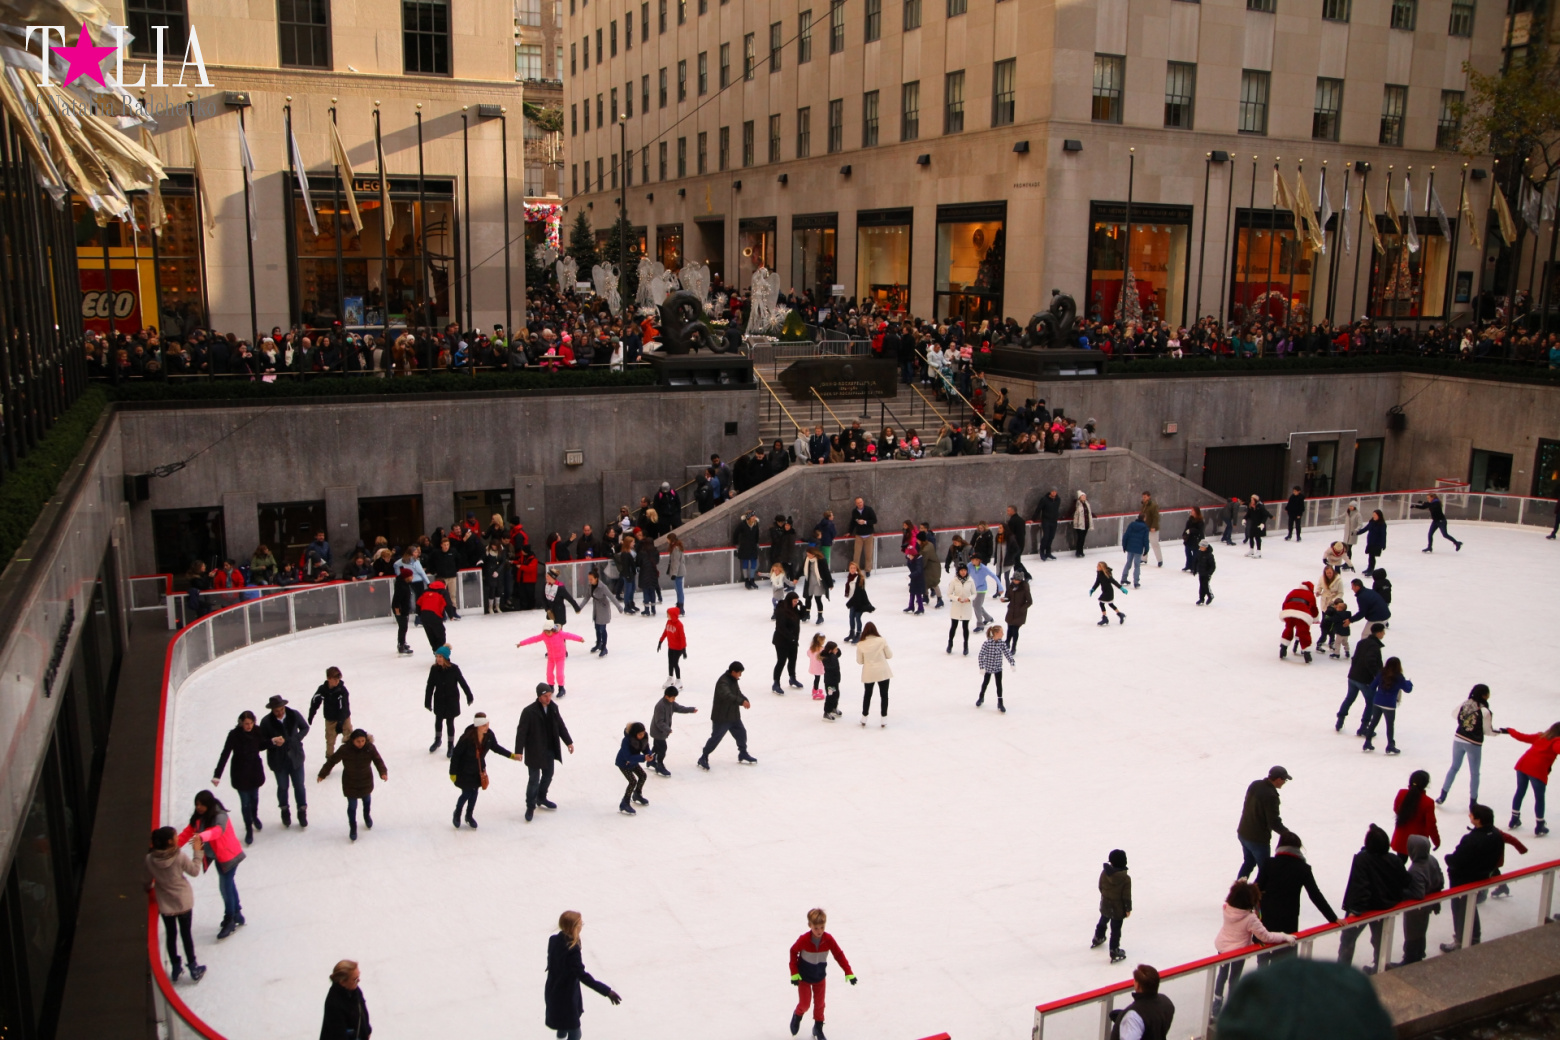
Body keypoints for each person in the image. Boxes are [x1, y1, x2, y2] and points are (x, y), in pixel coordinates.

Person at [1212, 880, 1294, 1015]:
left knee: (1222, 975)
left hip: (1222, 947)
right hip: (1238, 952)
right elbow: (1266, 937)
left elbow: (1237, 894)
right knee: (1234, 978)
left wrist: (1240, 886)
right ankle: (1232, 1008)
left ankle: (1216, 1007)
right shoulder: (1251, 918)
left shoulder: (1227, 908)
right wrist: (1284, 936)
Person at [1336, 823, 1409, 971]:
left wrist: (1355, 911)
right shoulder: (1394, 860)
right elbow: (1405, 881)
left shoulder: (1362, 860)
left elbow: (1360, 886)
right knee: (1379, 939)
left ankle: (1342, 971)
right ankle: (1379, 967)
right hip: (1384, 906)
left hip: (1365, 910)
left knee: (1348, 938)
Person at [1253, 831, 1337, 958]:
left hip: (1265, 919)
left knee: (1263, 958)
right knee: (1285, 959)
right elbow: (1315, 895)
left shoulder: (1269, 863)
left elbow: (1256, 889)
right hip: (1288, 922)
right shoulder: (1303, 868)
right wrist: (1333, 918)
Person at [175, 790, 245, 939]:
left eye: (201, 804)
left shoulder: (220, 816)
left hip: (229, 855)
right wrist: (172, 848)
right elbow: (187, 833)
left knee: (225, 887)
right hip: (219, 856)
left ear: (209, 804)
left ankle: (230, 918)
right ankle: (236, 913)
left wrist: (201, 836)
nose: (198, 807)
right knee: (228, 884)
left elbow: (217, 831)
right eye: (197, 804)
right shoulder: (198, 818)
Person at [546, 911, 621, 1040]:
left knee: (562, 1024)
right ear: (573, 927)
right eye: (580, 924)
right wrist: (607, 991)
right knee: (575, 1033)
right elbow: (583, 976)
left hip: (553, 990)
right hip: (566, 996)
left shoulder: (553, 940)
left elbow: (552, 961)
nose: (581, 926)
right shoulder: (572, 950)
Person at [145, 826, 205, 983]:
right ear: (170, 841)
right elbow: (194, 871)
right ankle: (193, 966)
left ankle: (175, 966)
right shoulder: (179, 857)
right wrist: (198, 851)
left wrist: (149, 887)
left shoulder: (149, 859)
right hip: (183, 901)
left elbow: (148, 880)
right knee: (186, 934)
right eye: (175, 836)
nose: (178, 837)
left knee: (171, 935)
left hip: (165, 903)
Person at [1440, 804, 1504, 950]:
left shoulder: (1472, 840)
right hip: (1482, 876)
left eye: (1472, 814)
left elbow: (1457, 860)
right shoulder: (1495, 834)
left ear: (1478, 820)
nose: (1469, 815)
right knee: (1470, 907)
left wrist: (1448, 858)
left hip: (1464, 881)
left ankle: (1461, 940)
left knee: (1461, 909)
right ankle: (1474, 936)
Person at [788, 908, 857, 1040]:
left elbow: (838, 954)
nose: (819, 931)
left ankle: (818, 1028)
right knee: (805, 1004)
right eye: (816, 928)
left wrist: (848, 971)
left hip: (819, 978)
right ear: (810, 925)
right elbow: (793, 951)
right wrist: (794, 973)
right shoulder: (804, 940)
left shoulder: (828, 939)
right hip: (804, 978)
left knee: (820, 1005)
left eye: (822, 927)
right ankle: (798, 1015)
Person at [515, 683, 576, 822]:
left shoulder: (553, 708)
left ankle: (541, 797)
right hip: (534, 750)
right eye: (545, 696)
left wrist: (568, 742)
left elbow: (560, 726)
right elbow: (521, 733)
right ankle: (530, 806)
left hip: (549, 749)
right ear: (539, 696)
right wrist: (518, 751)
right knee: (534, 780)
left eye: (549, 695)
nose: (548, 699)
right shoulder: (529, 712)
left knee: (548, 775)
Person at [316, 729, 388, 842]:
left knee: (367, 801)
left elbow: (378, 760)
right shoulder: (345, 749)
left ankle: (366, 816)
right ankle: (353, 827)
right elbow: (332, 761)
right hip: (350, 782)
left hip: (365, 781)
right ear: (352, 740)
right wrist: (322, 774)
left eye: (363, 741)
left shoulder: (370, 748)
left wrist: (383, 772)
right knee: (352, 806)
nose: (361, 743)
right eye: (358, 741)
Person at [449, 712, 518, 829]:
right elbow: (456, 755)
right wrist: (453, 772)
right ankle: (457, 813)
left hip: (478, 770)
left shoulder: (489, 736)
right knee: (467, 793)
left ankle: (469, 816)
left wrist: (511, 755)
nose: (487, 727)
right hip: (464, 770)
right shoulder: (467, 738)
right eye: (484, 725)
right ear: (477, 726)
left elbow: (496, 747)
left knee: (474, 793)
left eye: (487, 724)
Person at [1439, 684, 1504, 806]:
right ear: (1484, 695)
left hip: (1458, 739)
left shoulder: (1466, 703)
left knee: (1454, 767)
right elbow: (1488, 731)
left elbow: (1454, 714)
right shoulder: (1485, 711)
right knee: (1474, 773)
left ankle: (1443, 795)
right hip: (1474, 743)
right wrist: (1501, 731)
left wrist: (1466, 722)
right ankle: (1473, 802)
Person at [212, 710, 266, 845]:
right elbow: (225, 754)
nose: (249, 726)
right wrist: (217, 774)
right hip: (240, 772)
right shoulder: (234, 735)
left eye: (251, 723)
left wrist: (272, 742)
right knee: (245, 802)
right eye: (246, 723)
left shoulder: (257, 731)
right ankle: (248, 828)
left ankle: (254, 816)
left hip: (254, 771)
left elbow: (261, 746)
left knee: (254, 798)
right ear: (241, 723)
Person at [257, 694, 309, 828]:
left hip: (295, 758)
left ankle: (302, 811)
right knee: (283, 787)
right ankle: (284, 810)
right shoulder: (266, 722)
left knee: (299, 785)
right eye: (276, 711)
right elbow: (261, 743)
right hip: (278, 761)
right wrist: (273, 742)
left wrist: (296, 739)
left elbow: (305, 727)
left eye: (281, 709)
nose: (280, 713)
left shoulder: (293, 714)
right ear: (272, 710)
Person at [699, 661, 758, 768]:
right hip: (722, 717)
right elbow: (727, 696)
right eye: (739, 673)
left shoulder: (733, 680)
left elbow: (737, 693)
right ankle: (704, 756)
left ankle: (743, 753)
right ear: (733, 672)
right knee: (716, 738)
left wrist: (744, 699)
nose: (740, 675)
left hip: (733, 716)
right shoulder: (723, 682)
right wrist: (741, 701)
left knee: (741, 733)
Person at [1505, 720, 1560, 834]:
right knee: (1539, 798)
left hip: (1523, 765)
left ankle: (1514, 819)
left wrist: (1510, 730)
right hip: (1537, 770)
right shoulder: (1557, 741)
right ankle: (1540, 825)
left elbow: (1522, 737)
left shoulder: (1540, 736)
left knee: (1520, 791)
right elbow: (1557, 749)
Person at [1398, 834, 1445, 965]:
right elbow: (1440, 878)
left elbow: (1418, 894)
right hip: (1428, 904)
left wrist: (1401, 892)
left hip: (1416, 909)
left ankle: (1410, 958)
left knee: (1412, 932)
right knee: (1421, 929)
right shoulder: (1432, 860)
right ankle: (1419, 952)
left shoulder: (1416, 869)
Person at [1237, 766, 1290, 879]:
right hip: (1257, 839)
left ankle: (1238, 887)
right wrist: (1287, 834)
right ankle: (1260, 889)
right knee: (1266, 870)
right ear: (1278, 779)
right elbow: (1274, 822)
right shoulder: (1271, 796)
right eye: (1284, 779)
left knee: (1249, 862)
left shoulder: (1255, 785)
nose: (1284, 782)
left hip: (1243, 832)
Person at [1337, 622, 1386, 733]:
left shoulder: (1362, 642)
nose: (1384, 634)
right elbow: (1370, 661)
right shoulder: (1374, 646)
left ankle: (1340, 719)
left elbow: (1355, 658)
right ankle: (1364, 727)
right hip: (1365, 680)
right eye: (1383, 632)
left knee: (1349, 699)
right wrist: (1377, 676)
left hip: (1353, 676)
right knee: (1371, 702)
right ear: (1378, 633)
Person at [425, 645, 474, 756]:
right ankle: (437, 740)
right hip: (439, 700)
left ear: (446, 658)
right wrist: (427, 701)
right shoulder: (434, 669)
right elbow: (430, 686)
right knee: (438, 721)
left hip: (451, 700)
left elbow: (462, 682)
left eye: (440, 657)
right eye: (437, 656)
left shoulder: (454, 669)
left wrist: (469, 695)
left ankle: (450, 745)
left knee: (450, 723)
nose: (438, 659)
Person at [1107, 964, 1174, 1040]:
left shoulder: (1133, 1017)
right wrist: (1122, 1018)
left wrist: (1129, 1019)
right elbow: (1153, 1022)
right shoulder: (1166, 1003)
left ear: (1138, 985)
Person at [517, 624, 586, 698]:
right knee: (549, 673)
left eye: (549, 632)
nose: (547, 633)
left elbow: (570, 635)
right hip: (551, 658)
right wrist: (521, 643)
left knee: (559, 674)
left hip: (560, 657)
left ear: (553, 630)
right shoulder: (544, 635)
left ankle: (561, 688)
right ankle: (551, 687)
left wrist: (580, 639)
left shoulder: (560, 634)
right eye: (546, 632)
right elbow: (533, 639)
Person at [1361, 656, 1411, 754]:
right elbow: (1407, 689)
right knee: (1389, 725)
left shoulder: (1381, 673)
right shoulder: (1399, 677)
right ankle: (1390, 745)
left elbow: (1372, 687)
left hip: (1378, 701)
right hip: (1389, 704)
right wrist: (1409, 683)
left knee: (1373, 722)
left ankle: (1367, 742)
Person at [1090, 849, 1131, 964]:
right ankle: (1114, 950)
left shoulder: (1105, 873)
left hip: (1106, 904)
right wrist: (1128, 908)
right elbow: (1126, 897)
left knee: (1103, 920)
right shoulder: (1125, 879)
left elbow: (1100, 887)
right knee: (1116, 929)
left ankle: (1098, 937)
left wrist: (1106, 897)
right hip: (1118, 909)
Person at [649, 683, 698, 776]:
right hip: (658, 731)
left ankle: (650, 760)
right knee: (662, 748)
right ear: (666, 696)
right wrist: (667, 729)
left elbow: (679, 708)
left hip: (662, 731)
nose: (674, 699)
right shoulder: (660, 706)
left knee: (656, 747)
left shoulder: (670, 703)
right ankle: (659, 765)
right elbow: (659, 722)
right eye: (673, 697)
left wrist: (691, 710)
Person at [1391, 769, 1440, 858]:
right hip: (1418, 842)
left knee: (1400, 862)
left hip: (1401, 838)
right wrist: (1436, 841)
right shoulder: (1428, 802)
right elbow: (1431, 825)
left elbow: (1396, 809)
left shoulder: (1401, 793)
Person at [307, 666, 353, 757]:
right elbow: (315, 701)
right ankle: (329, 760)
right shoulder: (323, 690)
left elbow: (344, 707)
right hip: (330, 720)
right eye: (335, 679)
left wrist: (340, 722)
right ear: (328, 678)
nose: (337, 681)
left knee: (349, 739)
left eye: (338, 679)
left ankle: (352, 758)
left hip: (344, 719)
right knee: (330, 741)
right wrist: (311, 714)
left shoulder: (342, 691)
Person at [320, 960, 372, 1039]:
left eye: (358, 977)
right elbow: (338, 1034)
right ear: (342, 982)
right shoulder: (334, 1003)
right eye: (355, 979)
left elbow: (363, 1012)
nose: (358, 980)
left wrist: (367, 1031)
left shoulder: (355, 991)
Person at [855, 622, 893, 726]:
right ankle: (884, 718)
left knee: (867, 695)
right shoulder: (881, 641)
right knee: (884, 695)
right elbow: (889, 655)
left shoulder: (861, 644)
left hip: (869, 672)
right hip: (882, 671)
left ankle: (864, 717)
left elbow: (859, 661)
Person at [976, 624, 1016, 712]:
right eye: (1001, 632)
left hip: (998, 668)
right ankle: (981, 697)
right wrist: (982, 667)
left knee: (999, 685)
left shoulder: (1002, 643)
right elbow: (981, 655)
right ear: (996, 633)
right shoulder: (987, 643)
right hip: (988, 667)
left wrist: (1012, 663)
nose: (1003, 634)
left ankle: (1000, 702)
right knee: (985, 683)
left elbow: (1007, 653)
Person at [772, 592, 804, 694]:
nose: (796, 603)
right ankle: (776, 683)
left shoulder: (794, 609)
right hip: (782, 641)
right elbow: (781, 627)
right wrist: (791, 638)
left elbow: (802, 617)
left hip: (793, 640)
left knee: (793, 660)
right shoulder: (782, 610)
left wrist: (802, 607)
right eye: (794, 601)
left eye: (797, 601)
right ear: (789, 600)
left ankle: (792, 678)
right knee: (781, 661)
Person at [615, 722, 651, 815]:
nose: (642, 736)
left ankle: (637, 794)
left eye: (643, 733)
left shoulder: (644, 737)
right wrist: (643, 758)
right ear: (635, 734)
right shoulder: (626, 741)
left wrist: (649, 754)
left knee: (643, 776)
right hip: (624, 763)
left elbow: (646, 748)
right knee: (632, 781)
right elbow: (628, 757)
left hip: (634, 762)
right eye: (640, 734)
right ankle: (624, 803)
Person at [1278, 581, 1318, 663]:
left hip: (1289, 612)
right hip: (1303, 615)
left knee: (1288, 629)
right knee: (1304, 633)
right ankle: (1307, 654)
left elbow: (1285, 603)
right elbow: (1314, 609)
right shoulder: (1310, 595)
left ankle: (1283, 648)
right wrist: (1315, 618)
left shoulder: (1293, 591)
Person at [945, 563, 976, 652]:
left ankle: (965, 646)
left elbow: (974, 593)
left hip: (966, 607)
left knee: (965, 627)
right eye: (961, 570)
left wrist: (969, 599)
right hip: (956, 606)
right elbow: (949, 594)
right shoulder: (954, 581)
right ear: (958, 571)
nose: (963, 572)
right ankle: (950, 644)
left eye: (965, 570)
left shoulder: (970, 581)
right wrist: (956, 598)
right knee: (953, 626)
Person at [416, 579, 452, 652]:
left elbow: (418, 603)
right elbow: (448, 604)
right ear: (444, 585)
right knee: (440, 635)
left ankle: (436, 652)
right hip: (435, 616)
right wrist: (451, 615)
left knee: (431, 636)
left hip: (424, 616)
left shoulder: (425, 591)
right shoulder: (443, 592)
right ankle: (441, 653)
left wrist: (420, 614)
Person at [968, 555, 1003, 626]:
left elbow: (994, 576)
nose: (972, 561)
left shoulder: (984, 568)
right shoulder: (969, 565)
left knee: (977, 606)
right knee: (976, 605)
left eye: (974, 560)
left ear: (978, 560)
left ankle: (980, 624)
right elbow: (964, 574)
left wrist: (1000, 587)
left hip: (982, 589)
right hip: (974, 588)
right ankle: (988, 618)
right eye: (971, 560)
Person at [1090, 561, 1127, 626]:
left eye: (1098, 566)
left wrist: (1121, 588)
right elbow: (1097, 582)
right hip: (1104, 591)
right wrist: (1093, 589)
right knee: (1110, 604)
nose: (1097, 567)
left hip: (1108, 592)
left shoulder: (1107, 574)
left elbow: (1114, 582)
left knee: (1102, 603)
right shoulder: (1099, 573)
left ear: (1102, 567)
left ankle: (1105, 618)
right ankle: (1120, 614)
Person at [844, 563, 873, 643]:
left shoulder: (860, 578)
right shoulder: (850, 577)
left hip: (859, 602)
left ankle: (858, 634)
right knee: (851, 617)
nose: (852, 569)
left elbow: (859, 592)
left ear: (857, 569)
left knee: (857, 618)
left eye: (854, 568)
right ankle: (852, 633)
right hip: (853, 601)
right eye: (851, 568)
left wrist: (850, 602)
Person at [390, 569, 417, 655]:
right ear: (406, 577)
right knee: (403, 628)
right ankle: (401, 645)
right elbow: (397, 600)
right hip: (401, 610)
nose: (412, 577)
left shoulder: (405, 584)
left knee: (404, 628)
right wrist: (398, 612)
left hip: (404, 609)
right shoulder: (401, 587)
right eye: (411, 576)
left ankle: (403, 643)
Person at [1003, 573, 1031, 653]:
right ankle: (1007, 642)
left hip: (1019, 613)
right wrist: (1005, 599)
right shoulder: (1011, 586)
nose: (1015, 581)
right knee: (1009, 627)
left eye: (1017, 580)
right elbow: (1008, 597)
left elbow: (1029, 601)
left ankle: (1014, 647)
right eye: (1014, 579)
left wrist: (1021, 609)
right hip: (1011, 611)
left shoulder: (1024, 588)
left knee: (1015, 629)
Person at [849, 497, 878, 574]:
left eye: (861, 502)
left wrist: (865, 522)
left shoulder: (869, 509)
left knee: (868, 554)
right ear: (856, 504)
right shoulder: (854, 511)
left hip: (869, 535)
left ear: (863, 502)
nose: (860, 504)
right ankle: (855, 570)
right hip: (859, 535)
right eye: (858, 503)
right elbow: (852, 522)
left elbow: (874, 520)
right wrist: (849, 532)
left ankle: (868, 570)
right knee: (856, 555)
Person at [1032, 488, 1061, 560]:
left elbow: (1056, 509)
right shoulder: (1044, 499)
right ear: (1050, 492)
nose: (1054, 493)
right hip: (1046, 520)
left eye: (1055, 491)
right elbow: (1038, 509)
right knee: (1046, 536)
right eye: (1053, 491)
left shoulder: (1058, 500)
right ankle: (1042, 552)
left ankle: (1048, 552)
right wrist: (1033, 519)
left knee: (1051, 537)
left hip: (1054, 521)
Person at [1359, 509, 1388, 575]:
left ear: (1379, 516)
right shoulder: (1371, 522)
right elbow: (1365, 529)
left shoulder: (1382, 524)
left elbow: (1383, 535)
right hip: (1370, 542)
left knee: (1372, 556)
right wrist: (1357, 533)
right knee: (1370, 556)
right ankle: (1369, 568)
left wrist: (1383, 544)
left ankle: (1371, 569)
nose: (1374, 516)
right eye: (1373, 515)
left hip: (1376, 543)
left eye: (1375, 515)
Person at [820, 641, 843, 721]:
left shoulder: (832, 655)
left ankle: (834, 707)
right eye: (835, 649)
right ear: (830, 650)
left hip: (835, 680)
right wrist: (833, 655)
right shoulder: (826, 658)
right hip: (830, 682)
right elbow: (831, 666)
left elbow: (839, 654)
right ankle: (827, 712)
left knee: (836, 695)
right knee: (830, 696)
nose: (837, 650)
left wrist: (835, 652)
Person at [1139, 492, 1163, 568]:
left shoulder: (1153, 505)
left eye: (1145, 497)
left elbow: (1156, 517)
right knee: (1144, 543)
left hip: (1152, 528)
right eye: (1143, 497)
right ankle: (1143, 558)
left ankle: (1160, 560)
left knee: (1154, 544)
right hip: (1144, 527)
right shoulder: (1144, 505)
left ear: (1149, 497)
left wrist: (1153, 527)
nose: (1143, 498)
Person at [1181, 507, 1205, 572]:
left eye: (1193, 510)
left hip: (1196, 539)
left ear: (1196, 512)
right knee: (1187, 552)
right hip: (1189, 539)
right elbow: (1186, 528)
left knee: (1195, 554)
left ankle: (1194, 567)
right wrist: (1184, 534)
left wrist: (1191, 530)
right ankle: (1188, 565)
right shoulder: (1189, 520)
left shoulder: (1200, 521)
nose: (1191, 511)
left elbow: (1200, 531)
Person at [1193, 539, 1217, 605]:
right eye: (1200, 546)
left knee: (1205, 585)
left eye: (1202, 547)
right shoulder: (1199, 553)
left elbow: (1213, 566)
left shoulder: (1209, 555)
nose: (1200, 548)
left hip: (1206, 573)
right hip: (1201, 572)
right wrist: (1195, 569)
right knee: (1201, 586)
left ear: (1205, 547)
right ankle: (1201, 599)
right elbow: (1196, 561)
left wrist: (1209, 573)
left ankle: (1210, 596)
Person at [1071, 490, 1093, 557]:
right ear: (1079, 497)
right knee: (1080, 538)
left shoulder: (1087, 504)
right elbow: (1072, 510)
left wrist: (1094, 515)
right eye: (1082, 496)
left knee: (1083, 538)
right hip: (1079, 524)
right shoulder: (1077, 504)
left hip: (1086, 523)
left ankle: (1081, 551)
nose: (1084, 497)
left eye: (1084, 496)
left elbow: (1088, 512)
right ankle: (1078, 552)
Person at [805, 632, 827, 699]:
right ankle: (815, 692)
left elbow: (808, 654)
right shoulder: (822, 649)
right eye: (823, 640)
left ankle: (815, 689)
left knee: (816, 678)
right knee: (817, 679)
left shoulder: (812, 648)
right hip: (818, 667)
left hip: (813, 666)